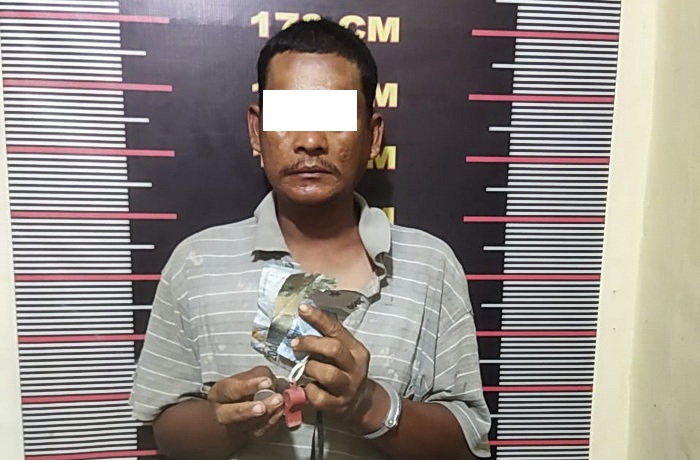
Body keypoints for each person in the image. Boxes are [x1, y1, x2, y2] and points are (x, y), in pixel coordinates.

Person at [129, 18, 491, 460]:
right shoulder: (195, 263)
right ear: (256, 130)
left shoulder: (431, 266)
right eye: (290, 117)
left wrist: (368, 405)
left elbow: (466, 443)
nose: (311, 141)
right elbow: (166, 430)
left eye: (334, 119)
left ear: (373, 135)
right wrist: (228, 422)